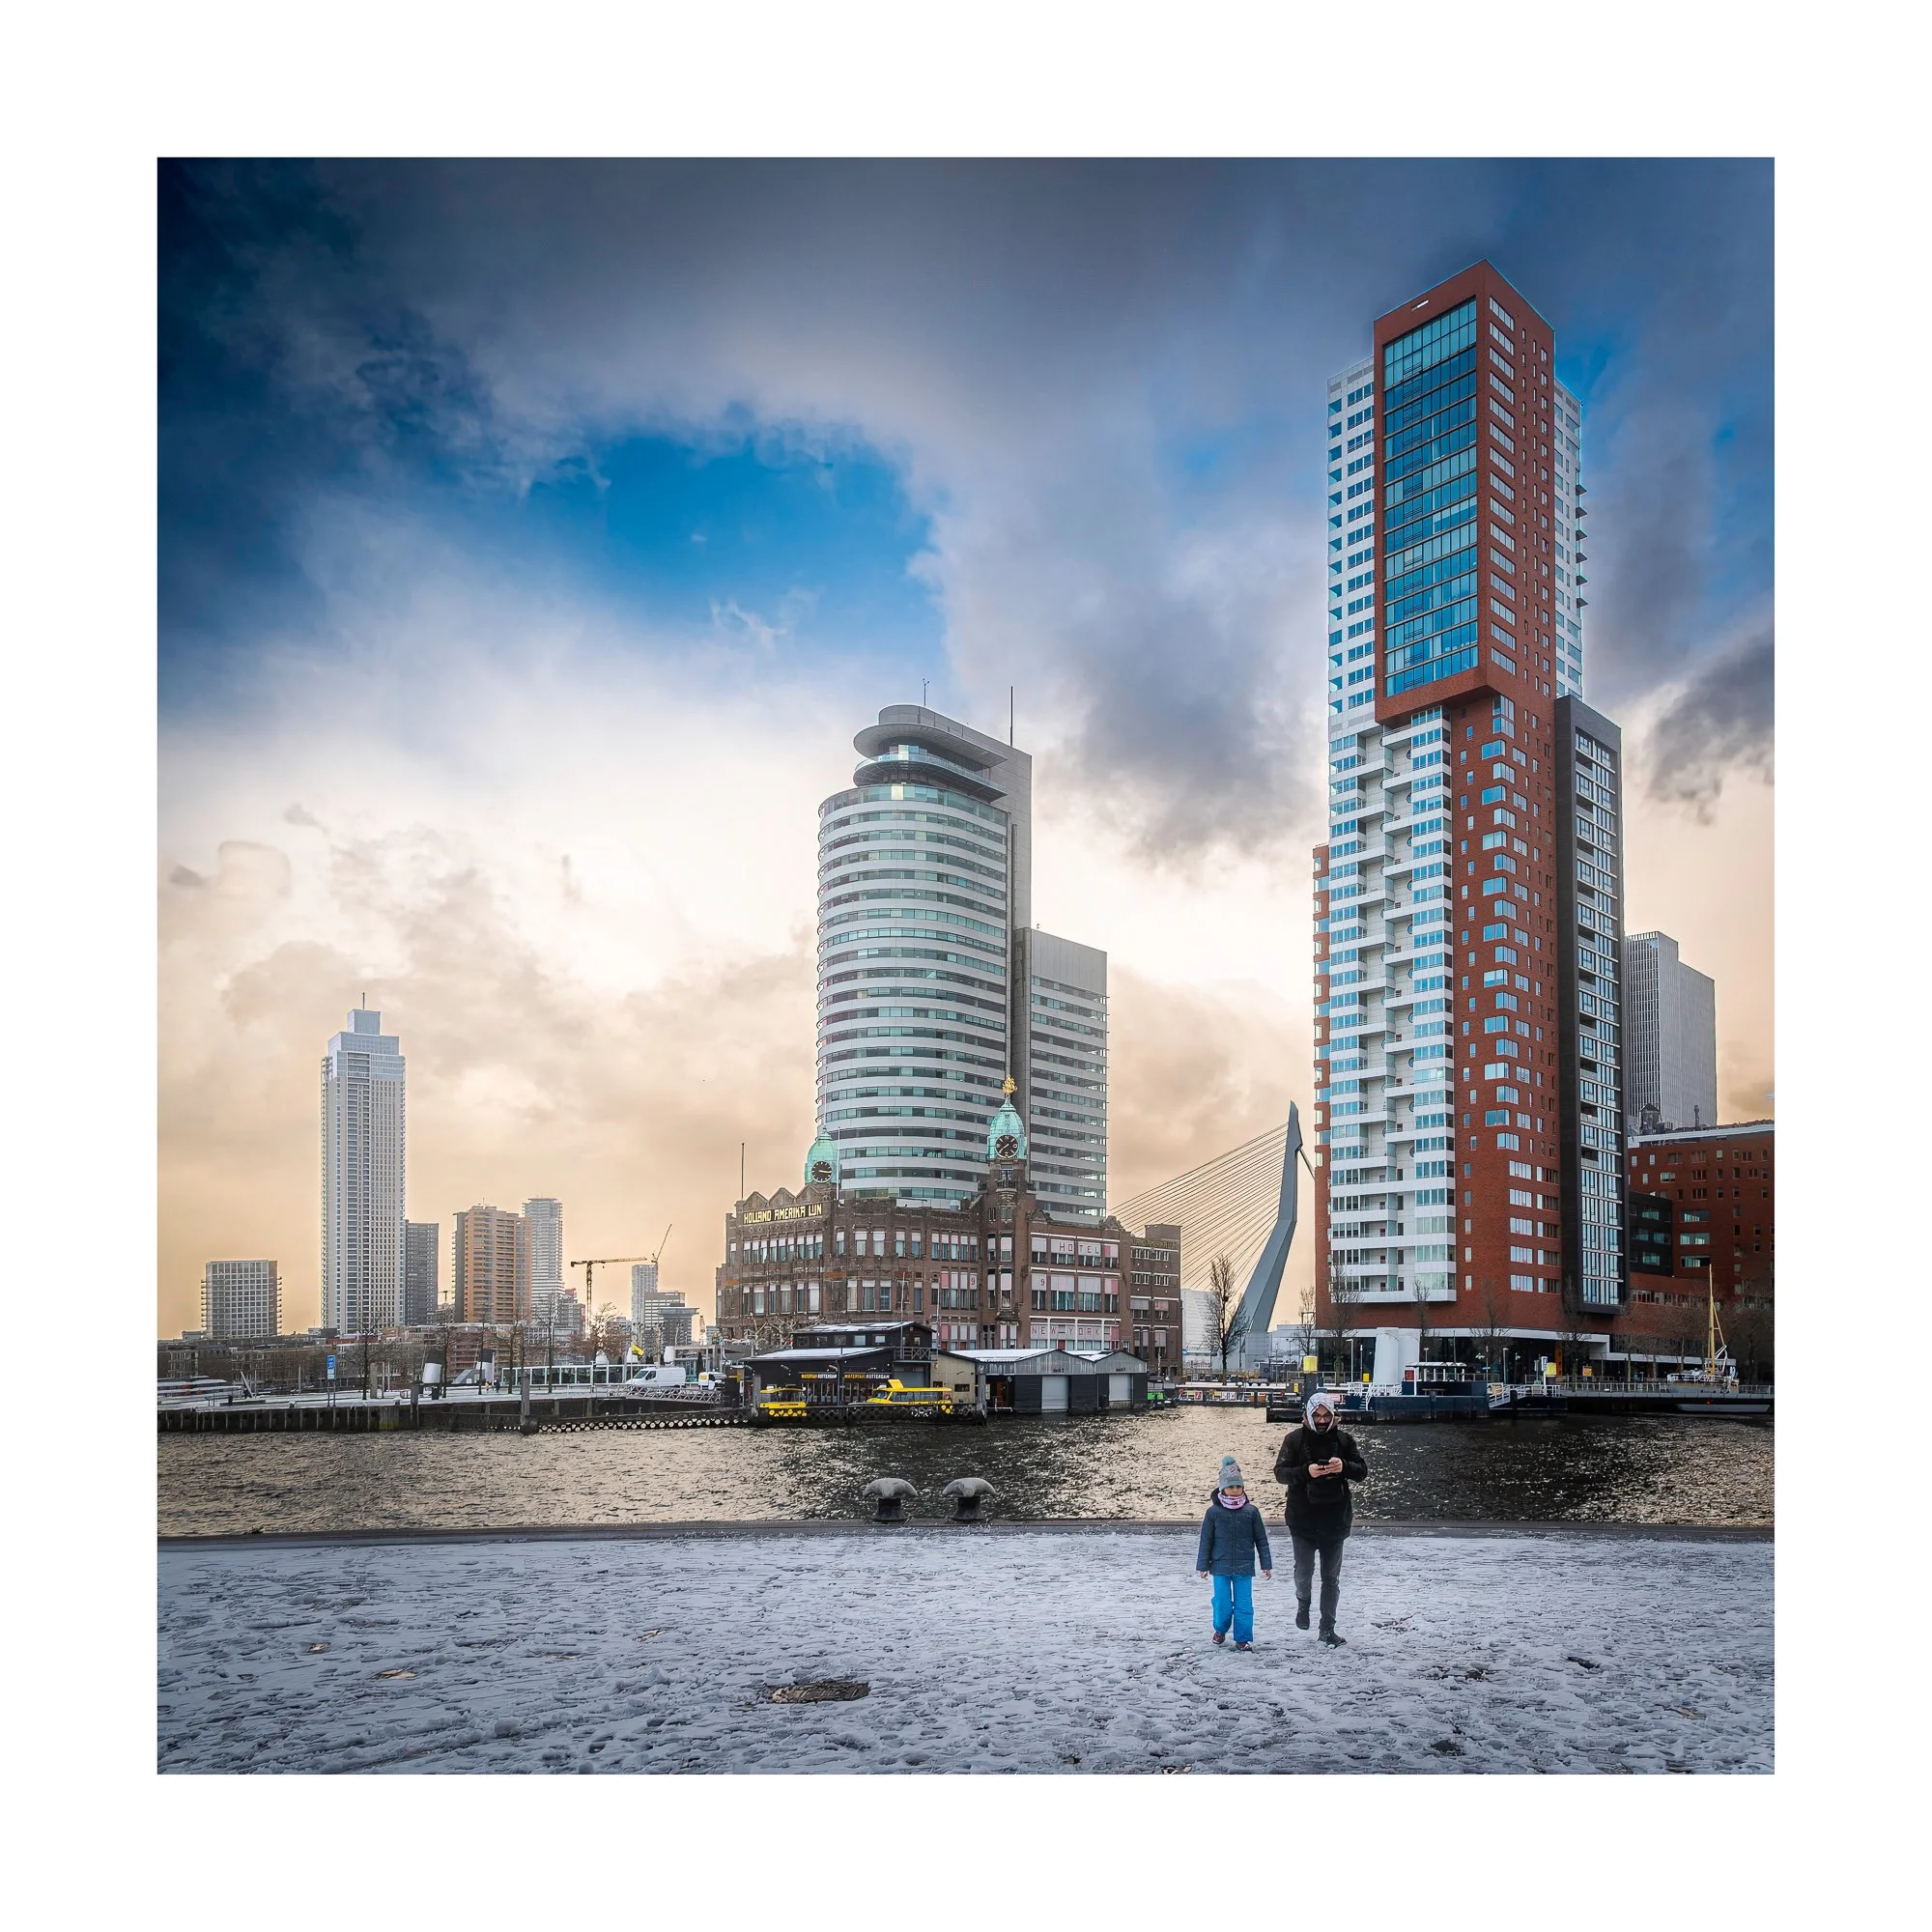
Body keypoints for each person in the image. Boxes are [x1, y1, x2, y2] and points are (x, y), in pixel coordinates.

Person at [1273, 1393, 1368, 1646]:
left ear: (1333, 1414)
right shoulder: (1293, 1440)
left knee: (1330, 1577)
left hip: (1335, 1519)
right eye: (1318, 1415)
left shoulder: (1344, 1440)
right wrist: (1307, 1471)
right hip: (1302, 1519)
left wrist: (1343, 1466)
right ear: (1309, 1414)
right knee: (1303, 1573)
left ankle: (1327, 1628)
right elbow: (1280, 1473)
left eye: (1327, 1415)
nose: (1323, 1420)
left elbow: (1362, 1471)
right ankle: (1303, 1603)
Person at [1195, 1456, 1273, 1651]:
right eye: (1231, 1487)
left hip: (1244, 1567)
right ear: (1222, 1489)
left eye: (1238, 1487)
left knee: (1244, 1606)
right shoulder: (1213, 1512)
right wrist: (1203, 1566)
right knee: (1222, 1604)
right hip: (1220, 1566)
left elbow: (1261, 1539)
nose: (1235, 1490)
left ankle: (1242, 1639)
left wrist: (1266, 1564)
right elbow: (1206, 1540)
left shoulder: (1251, 1512)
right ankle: (1220, 1629)